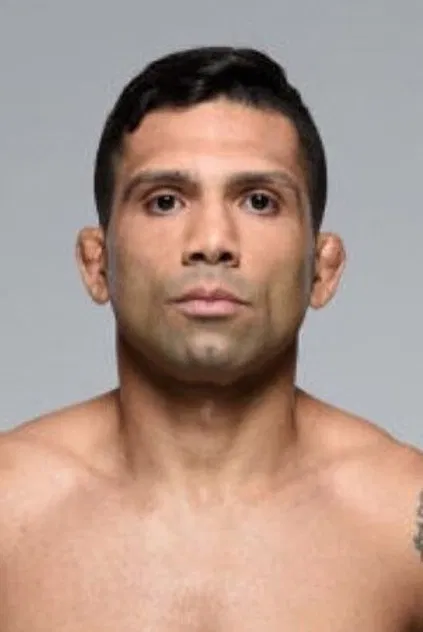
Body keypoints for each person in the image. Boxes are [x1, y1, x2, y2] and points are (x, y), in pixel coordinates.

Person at [0, 46, 422, 631]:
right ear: (97, 263)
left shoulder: (401, 520)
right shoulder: (9, 511)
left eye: (259, 201)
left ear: (322, 269)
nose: (212, 241)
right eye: (165, 201)